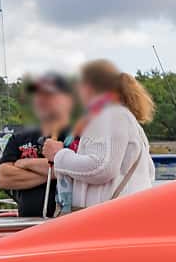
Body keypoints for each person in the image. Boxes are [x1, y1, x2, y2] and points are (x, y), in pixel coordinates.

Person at [40, 59, 155, 212]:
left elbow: (102, 167)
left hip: (108, 217)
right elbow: (149, 172)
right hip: (125, 212)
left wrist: (58, 155)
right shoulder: (125, 118)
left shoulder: (108, 115)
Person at [0, 72, 75, 218]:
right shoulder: (18, 139)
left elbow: (74, 170)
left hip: (64, 222)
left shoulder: (74, 137)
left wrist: (24, 163)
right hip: (27, 227)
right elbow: (3, 178)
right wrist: (54, 173)